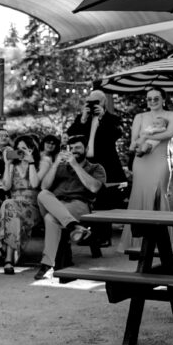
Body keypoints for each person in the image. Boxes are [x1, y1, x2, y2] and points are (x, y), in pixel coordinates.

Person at [34, 134, 106, 280]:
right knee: (43, 194)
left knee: (50, 218)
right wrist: (55, 164)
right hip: (57, 203)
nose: (74, 151)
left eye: (77, 147)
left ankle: (47, 263)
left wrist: (75, 165)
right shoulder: (60, 166)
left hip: (78, 204)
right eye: (71, 148)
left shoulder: (95, 167)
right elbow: (44, 186)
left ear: (86, 149)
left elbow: (94, 188)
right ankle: (74, 226)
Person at [119, 89, 173, 252]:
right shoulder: (140, 117)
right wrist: (144, 138)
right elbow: (133, 143)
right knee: (140, 195)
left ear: (163, 99)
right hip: (141, 162)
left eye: (156, 98)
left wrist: (147, 136)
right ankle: (138, 242)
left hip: (161, 161)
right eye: (149, 99)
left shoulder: (172, 115)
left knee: (160, 195)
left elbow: (170, 133)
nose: (152, 101)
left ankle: (163, 243)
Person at [66, 89, 127, 246]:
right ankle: (89, 234)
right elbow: (71, 136)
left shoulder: (111, 119)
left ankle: (104, 237)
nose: (92, 106)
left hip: (106, 164)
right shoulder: (82, 119)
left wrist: (102, 117)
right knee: (90, 198)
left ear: (103, 103)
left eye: (95, 102)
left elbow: (115, 135)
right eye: (89, 102)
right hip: (87, 164)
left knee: (104, 200)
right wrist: (83, 120)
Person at [0, 135, 48, 275]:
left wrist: (31, 163)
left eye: (24, 149)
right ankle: (8, 260)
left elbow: (34, 184)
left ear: (32, 150)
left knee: (8, 204)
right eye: (18, 149)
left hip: (32, 208)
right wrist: (7, 164)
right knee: (11, 208)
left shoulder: (41, 163)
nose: (20, 152)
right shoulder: (13, 165)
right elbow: (7, 186)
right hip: (13, 209)